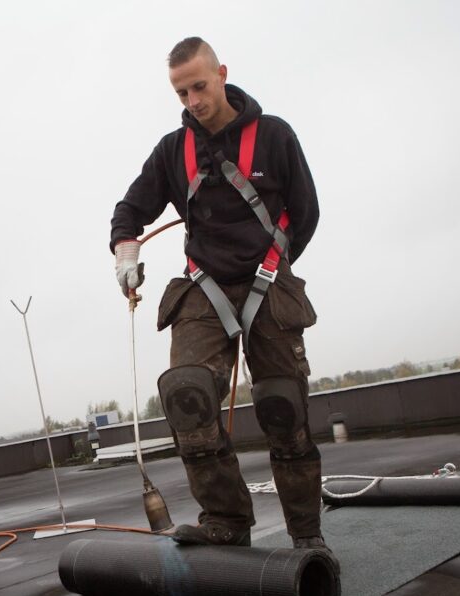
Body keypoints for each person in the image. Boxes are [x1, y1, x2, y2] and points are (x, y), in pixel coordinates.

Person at [109, 37, 330, 557]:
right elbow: (131, 208)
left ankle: (306, 533)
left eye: (200, 87)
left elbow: (306, 211)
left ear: (222, 74)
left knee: (282, 406)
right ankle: (227, 519)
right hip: (202, 287)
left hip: (267, 282)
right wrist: (125, 250)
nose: (193, 101)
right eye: (181, 92)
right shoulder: (172, 152)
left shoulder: (273, 136)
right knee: (187, 395)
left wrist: (272, 265)